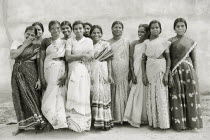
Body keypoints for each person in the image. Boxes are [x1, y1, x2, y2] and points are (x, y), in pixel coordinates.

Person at [168, 18, 203, 131]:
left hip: (188, 71)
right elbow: (168, 59)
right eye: (178, 26)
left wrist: (195, 74)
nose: (180, 28)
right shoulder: (170, 41)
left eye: (182, 26)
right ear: (174, 28)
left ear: (186, 28)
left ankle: (191, 123)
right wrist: (169, 74)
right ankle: (179, 124)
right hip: (175, 71)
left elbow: (194, 59)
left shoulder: (190, 41)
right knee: (176, 94)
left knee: (190, 95)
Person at [10, 26, 45, 135]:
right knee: (18, 98)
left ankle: (37, 123)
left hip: (31, 74)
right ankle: (21, 126)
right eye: (28, 34)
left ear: (35, 36)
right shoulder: (16, 43)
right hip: (17, 74)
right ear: (24, 33)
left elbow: (39, 64)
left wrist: (39, 79)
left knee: (33, 97)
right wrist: (25, 44)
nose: (29, 36)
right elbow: (13, 55)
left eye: (32, 35)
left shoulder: (37, 47)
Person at [141, 20, 172, 129]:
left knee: (161, 94)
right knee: (152, 94)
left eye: (157, 27)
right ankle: (154, 122)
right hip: (150, 69)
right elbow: (143, 60)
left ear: (160, 29)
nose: (155, 29)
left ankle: (163, 123)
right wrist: (144, 75)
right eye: (153, 28)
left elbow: (168, 59)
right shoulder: (146, 43)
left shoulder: (164, 42)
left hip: (160, 68)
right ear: (149, 30)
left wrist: (167, 73)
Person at [65, 21, 94, 132]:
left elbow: (91, 56)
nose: (78, 30)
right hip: (72, 69)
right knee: (73, 94)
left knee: (82, 94)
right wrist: (82, 55)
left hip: (83, 69)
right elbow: (67, 57)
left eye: (80, 28)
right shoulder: (70, 41)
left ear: (83, 29)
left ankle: (83, 124)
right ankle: (73, 124)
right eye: (76, 29)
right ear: (73, 30)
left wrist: (75, 56)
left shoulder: (88, 41)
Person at [40, 20, 68, 130]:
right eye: (53, 28)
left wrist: (66, 74)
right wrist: (41, 77)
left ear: (60, 29)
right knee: (49, 92)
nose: (55, 30)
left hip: (61, 67)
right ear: (49, 30)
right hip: (49, 68)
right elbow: (41, 59)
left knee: (60, 93)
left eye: (57, 28)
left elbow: (66, 59)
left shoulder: (65, 42)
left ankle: (60, 121)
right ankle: (49, 120)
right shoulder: (45, 41)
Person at [124, 24, 149, 127]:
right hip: (136, 70)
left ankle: (146, 118)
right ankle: (135, 117)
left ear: (147, 33)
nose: (139, 33)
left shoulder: (149, 43)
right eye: (139, 31)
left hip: (146, 70)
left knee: (146, 93)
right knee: (136, 92)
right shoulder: (134, 43)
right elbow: (131, 59)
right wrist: (132, 72)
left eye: (142, 32)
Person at [90, 25, 114, 130]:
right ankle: (94, 121)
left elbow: (109, 61)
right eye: (94, 33)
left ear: (101, 34)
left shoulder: (105, 45)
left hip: (103, 69)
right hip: (92, 70)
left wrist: (109, 74)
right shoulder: (88, 44)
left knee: (103, 93)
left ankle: (104, 121)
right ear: (91, 34)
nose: (96, 35)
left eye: (98, 33)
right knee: (93, 93)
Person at [108, 21, 130, 124]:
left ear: (122, 29)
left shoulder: (126, 41)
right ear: (112, 29)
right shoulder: (108, 42)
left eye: (120, 27)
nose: (117, 29)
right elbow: (107, 58)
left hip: (124, 68)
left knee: (124, 90)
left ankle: (124, 117)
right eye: (115, 27)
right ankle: (115, 117)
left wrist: (131, 70)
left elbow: (130, 56)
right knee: (114, 90)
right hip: (113, 68)